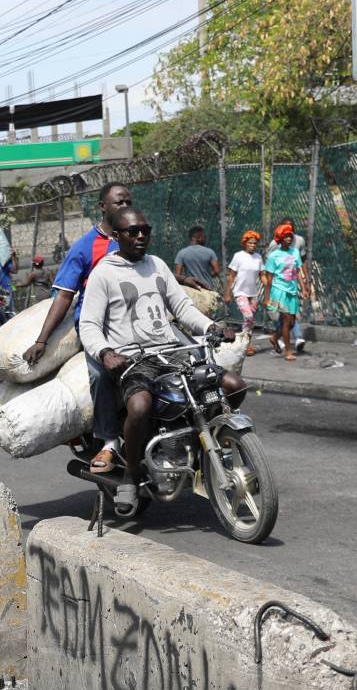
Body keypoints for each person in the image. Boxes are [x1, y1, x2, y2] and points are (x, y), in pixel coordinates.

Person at [80, 206, 246, 514]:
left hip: (172, 352)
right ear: (117, 236)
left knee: (234, 386)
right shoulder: (104, 272)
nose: (141, 235)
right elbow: (88, 324)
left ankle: (204, 449)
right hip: (133, 360)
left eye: (146, 230)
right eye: (133, 231)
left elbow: (182, 309)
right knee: (140, 406)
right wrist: (105, 353)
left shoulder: (157, 265)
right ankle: (131, 474)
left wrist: (213, 327)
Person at [22, 181, 135, 471]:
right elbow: (64, 295)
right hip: (98, 328)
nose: (125, 207)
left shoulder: (134, 238)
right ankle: (109, 440)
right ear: (103, 207)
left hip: (135, 324)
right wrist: (42, 340)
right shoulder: (86, 247)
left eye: (128, 202)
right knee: (100, 374)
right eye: (118, 203)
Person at [260, 222, 305, 359]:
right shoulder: (274, 256)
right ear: (280, 238)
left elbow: (297, 272)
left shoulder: (295, 252)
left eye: (290, 236)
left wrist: (303, 288)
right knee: (286, 320)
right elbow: (269, 278)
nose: (288, 239)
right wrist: (267, 298)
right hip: (278, 292)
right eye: (285, 237)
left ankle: (275, 338)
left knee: (292, 322)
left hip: (292, 292)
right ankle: (288, 352)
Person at [224, 230, 265, 335]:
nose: (252, 245)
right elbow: (231, 276)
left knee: (250, 321)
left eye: (255, 243)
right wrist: (227, 294)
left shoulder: (258, 257)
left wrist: (270, 286)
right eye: (250, 242)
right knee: (248, 316)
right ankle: (244, 340)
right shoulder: (238, 256)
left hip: (253, 294)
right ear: (245, 243)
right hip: (240, 292)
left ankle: (247, 344)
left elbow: (262, 275)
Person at [173, 225, 221, 293]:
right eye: (204, 237)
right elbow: (217, 270)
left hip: (191, 290)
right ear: (199, 238)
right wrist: (207, 275)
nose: (205, 239)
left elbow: (178, 275)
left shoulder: (182, 253)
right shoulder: (210, 252)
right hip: (208, 289)